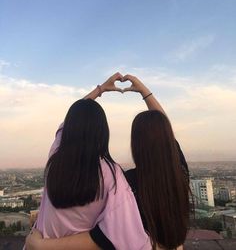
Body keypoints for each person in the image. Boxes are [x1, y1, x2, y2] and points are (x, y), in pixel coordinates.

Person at [26, 74, 190, 250]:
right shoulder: (176, 172)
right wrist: (145, 92)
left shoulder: (56, 160)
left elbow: (69, 124)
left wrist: (100, 90)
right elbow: (165, 136)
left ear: (135, 144)